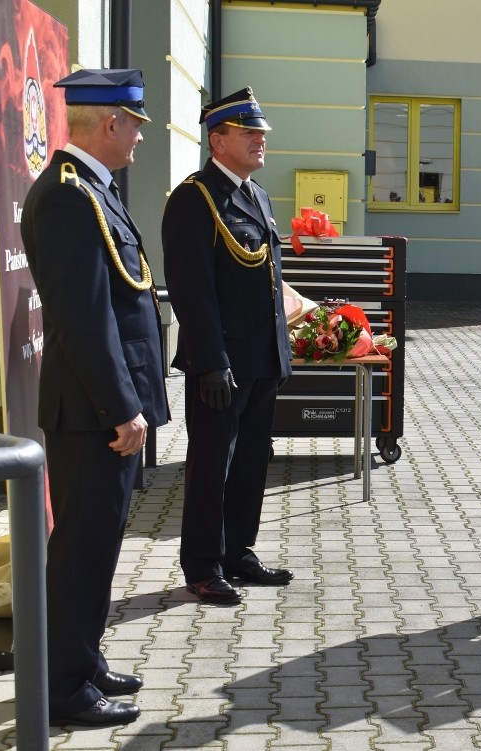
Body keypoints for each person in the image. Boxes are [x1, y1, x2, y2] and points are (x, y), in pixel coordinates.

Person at [20, 68, 168, 726]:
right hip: (93, 414)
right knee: (82, 547)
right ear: (110, 123)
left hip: (103, 408)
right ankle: (63, 689)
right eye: (135, 124)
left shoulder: (93, 191)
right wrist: (122, 406)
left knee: (99, 543)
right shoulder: (67, 196)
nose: (140, 136)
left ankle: (82, 655)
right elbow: (82, 318)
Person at [162, 87, 293, 606]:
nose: (261, 140)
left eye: (261, 132)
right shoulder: (194, 198)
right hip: (222, 363)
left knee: (252, 460)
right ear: (218, 140)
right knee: (213, 463)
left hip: (261, 358)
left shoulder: (256, 195)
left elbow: (270, 279)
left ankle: (239, 550)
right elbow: (193, 291)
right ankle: (202, 563)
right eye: (249, 132)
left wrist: (281, 353)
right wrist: (211, 361)